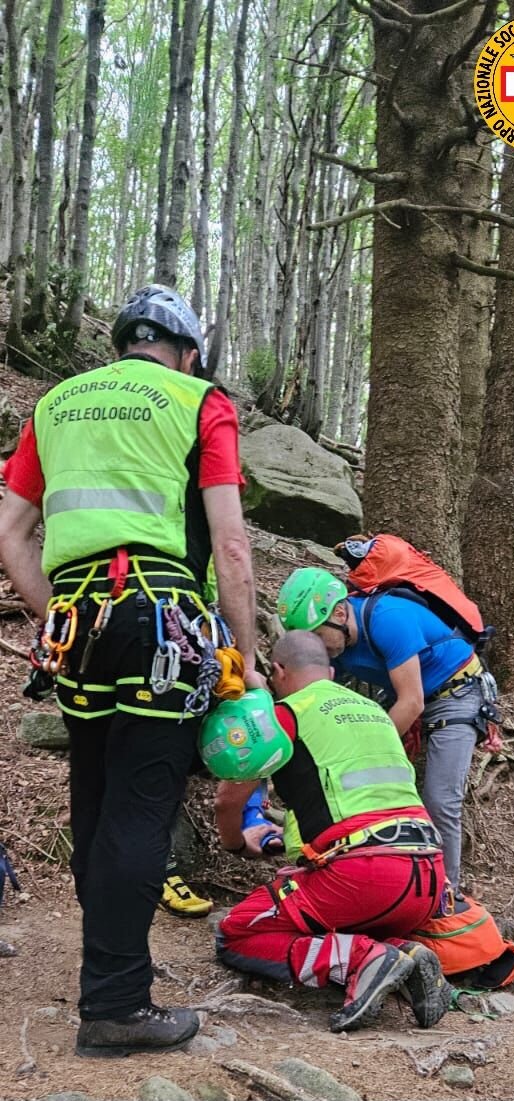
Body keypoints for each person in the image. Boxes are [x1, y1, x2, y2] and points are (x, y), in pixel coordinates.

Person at [0, 284, 261, 1057]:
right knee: (143, 805)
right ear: (188, 353)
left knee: (97, 794)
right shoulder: (199, 400)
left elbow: (10, 534)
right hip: (162, 620)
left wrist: (56, 614)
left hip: (77, 623)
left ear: (123, 345)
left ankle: (110, 964)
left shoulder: (55, 405)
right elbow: (231, 543)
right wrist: (242, 655)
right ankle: (114, 1003)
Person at [214, 630, 452, 1034]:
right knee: (337, 918)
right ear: (329, 672)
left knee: (237, 932)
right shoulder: (374, 711)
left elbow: (227, 800)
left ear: (278, 671)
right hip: (428, 878)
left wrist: (236, 843)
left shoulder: (285, 715)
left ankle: (361, 960)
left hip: (364, 876)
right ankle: (404, 953)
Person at [277, 568, 495, 895]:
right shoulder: (337, 646)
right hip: (407, 694)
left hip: (456, 693)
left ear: (339, 613)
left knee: (440, 799)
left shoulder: (388, 618)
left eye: (318, 636)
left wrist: (369, 753)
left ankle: (445, 892)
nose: (317, 648)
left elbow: (412, 702)